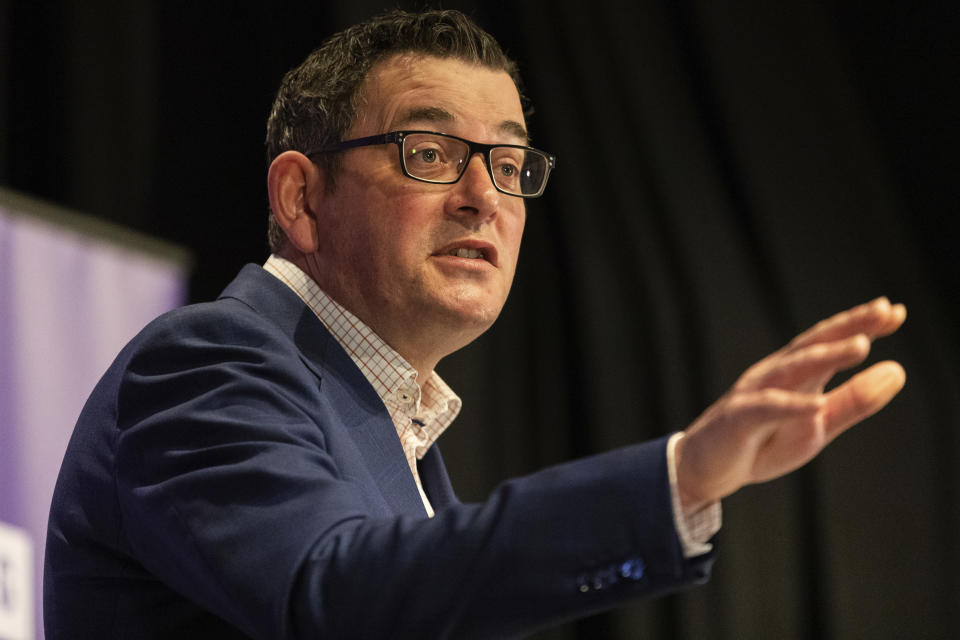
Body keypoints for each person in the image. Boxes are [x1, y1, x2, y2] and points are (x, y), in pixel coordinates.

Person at [43, 9, 907, 639]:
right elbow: (335, 596)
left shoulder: (402, 438)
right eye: (430, 152)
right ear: (302, 198)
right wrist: (675, 480)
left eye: (508, 162)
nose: (483, 197)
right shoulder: (209, 362)